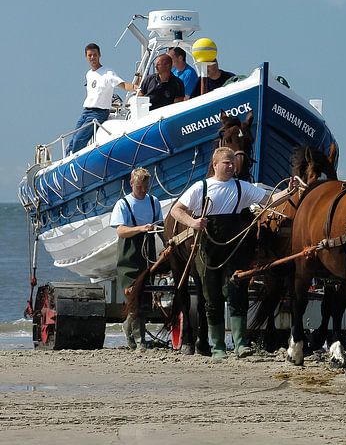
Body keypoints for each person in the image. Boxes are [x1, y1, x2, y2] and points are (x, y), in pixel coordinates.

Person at [171, 147, 290, 360]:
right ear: (215, 165)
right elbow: (176, 210)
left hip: (234, 248)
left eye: (232, 162)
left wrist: (289, 192)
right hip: (208, 247)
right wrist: (193, 222)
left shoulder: (241, 187)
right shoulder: (201, 187)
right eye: (226, 162)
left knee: (237, 291)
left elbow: (268, 201)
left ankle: (241, 344)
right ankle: (217, 347)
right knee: (212, 295)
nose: (230, 166)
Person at [110, 167, 163, 351]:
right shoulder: (123, 204)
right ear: (132, 183)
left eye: (146, 187)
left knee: (145, 299)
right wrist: (140, 228)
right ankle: (140, 341)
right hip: (128, 255)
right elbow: (120, 231)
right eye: (139, 186)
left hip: (147, 252)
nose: (143, 190)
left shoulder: (154, 202)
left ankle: (129, 327)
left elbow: (160, 226)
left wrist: (168, 244)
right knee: (133, 297)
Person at [66, 43, 138, 154]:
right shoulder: (89, 74)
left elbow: (122, 84)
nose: (92, 58)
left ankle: (76, 164)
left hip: (98, 112)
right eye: (89, 55)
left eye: (94, 55)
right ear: (86, 57)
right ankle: (68, 165)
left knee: (78, 140)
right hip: (86, 111)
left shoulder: (108, 72)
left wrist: (134, 88)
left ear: (99, 55)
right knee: (71, 142)